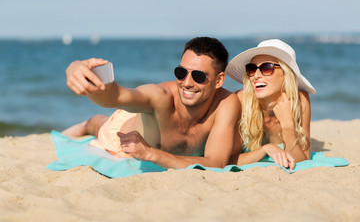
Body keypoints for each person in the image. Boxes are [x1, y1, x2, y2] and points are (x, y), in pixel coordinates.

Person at [63, 37, 240, 169]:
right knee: (99, 124)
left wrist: (151, 154)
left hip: (147, 121)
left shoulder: (225, 103)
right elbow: (115, 96)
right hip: (120, 131)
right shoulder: (160, 96)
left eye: (199, 76)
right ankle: (88, 124)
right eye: (181, 72)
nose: (186, 83)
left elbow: (216, 163)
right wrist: (77, 69)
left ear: (219, 80)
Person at [225, 39, 316, 171]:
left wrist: (288, 127)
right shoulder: (241, 101)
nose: (256, 76)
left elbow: (303, 162)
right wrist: (266, 149)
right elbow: (228, 160)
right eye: (251, 69)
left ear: (286, 74)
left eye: (266, 68)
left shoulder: (300, 101)